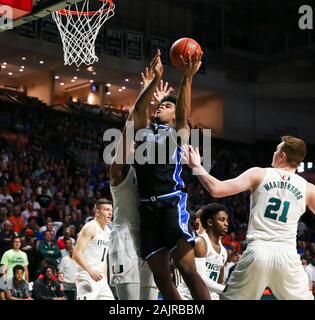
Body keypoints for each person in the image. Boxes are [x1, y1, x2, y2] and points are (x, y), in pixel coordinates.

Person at [182, 135, 315, 300]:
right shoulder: (308, 188)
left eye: (276, 150)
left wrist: (196, 167)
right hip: (287, 255)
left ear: (282, 156)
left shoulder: (259, 174)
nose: (274, 153)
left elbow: (217, 189)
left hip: (258, 251)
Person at [132, 49, 209, 300]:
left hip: (171, 202)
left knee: (187, 269)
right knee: (161, 277)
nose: (160, 108)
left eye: (166, 106)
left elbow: (184, 115)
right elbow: (139, 110)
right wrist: (154, 80)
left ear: (173, 115)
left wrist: (186, 78)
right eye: (161, 104)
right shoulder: (144, 130)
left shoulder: (176, 133)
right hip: (146, 207)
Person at [109, 73, 165, 300]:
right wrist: (147, 90)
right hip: (125, 237)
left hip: (150, 239)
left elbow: (165, 135)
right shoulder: (120, 171)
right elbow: (131, 127)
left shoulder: (154, 175)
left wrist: (163, 106)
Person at [178, 203, 228, 300]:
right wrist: (227, 289)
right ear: (210, 222)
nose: (226, 223)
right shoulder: (201, 243)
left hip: (210, 296)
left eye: (227, 220)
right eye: (222, 220)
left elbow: (220, 281)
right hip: (189, 296)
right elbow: (200, 279)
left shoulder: (224, 252)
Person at [73, 199, 114, 300]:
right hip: (86, 276)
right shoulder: (90, 227)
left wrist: (105, 279)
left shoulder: (108, 232)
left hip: (100, 279)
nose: (110, 213)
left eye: (111, 210)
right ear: (97, 212)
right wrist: (91, 271)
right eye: (106, 210)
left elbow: (103, 259)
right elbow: (76, 254)